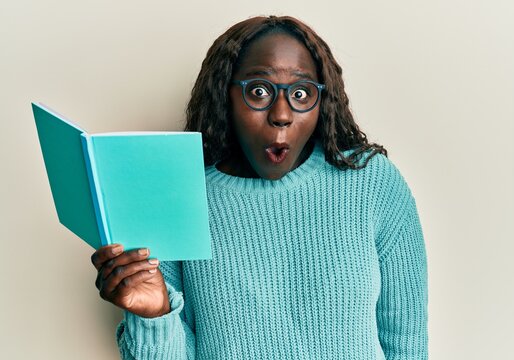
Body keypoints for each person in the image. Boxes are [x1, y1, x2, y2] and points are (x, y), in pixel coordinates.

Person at [91, 15, 428, 360]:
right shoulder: (177, 197)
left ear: (322, 101)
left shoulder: (371, 182)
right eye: (259, 91)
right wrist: (154, 315)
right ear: (225, 95)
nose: (281, 114)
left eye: (300, 93)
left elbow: (407, 345)